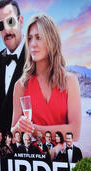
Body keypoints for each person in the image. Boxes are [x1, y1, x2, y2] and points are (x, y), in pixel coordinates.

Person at [11, 13, 81, 141]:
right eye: (30, 38)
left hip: (63, 159)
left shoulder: (70, 81)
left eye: (39, 37)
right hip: (32, 159)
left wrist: (33, 129)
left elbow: (75, 133)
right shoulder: (20, 86)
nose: (33, 44)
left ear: (52, 40)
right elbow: (14, 136)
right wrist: (18, 127)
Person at [0, 0, 25, 134]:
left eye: (10, 22)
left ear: (20, 21)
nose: (7, 30)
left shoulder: (37, 60)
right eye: (0, 25)